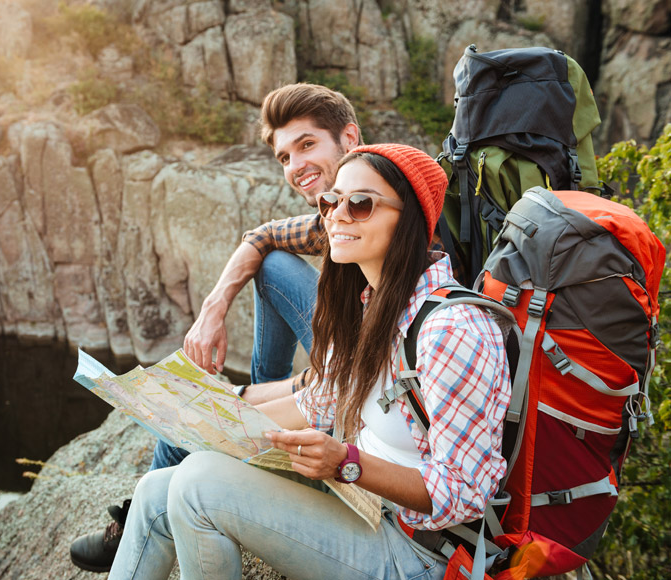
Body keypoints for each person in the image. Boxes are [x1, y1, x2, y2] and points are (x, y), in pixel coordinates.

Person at [69, 84, 449, 572]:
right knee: (203, 389)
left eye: (307, 145)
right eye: (285, 156)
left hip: (391, 446)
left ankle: (172, 491)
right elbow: (263, 235)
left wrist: (338, 452)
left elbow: (367, 388)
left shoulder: (414, 257)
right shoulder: (335, 221)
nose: (296, 167)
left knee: (197, 445)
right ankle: (218, 427)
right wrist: (213, 313)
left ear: (349, 138)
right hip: (346, 383)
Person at [106, 144, 511, 580]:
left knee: (196, 485)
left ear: (411, 220)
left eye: (360, 204)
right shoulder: (367, 306)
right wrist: (198, 415)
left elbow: (467, 493)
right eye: (331, 200)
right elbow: (316, 404)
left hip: (419, 551)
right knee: (153, 491)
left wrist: (346, 462)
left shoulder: (452, 330)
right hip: (359, 502)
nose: (336, 214)